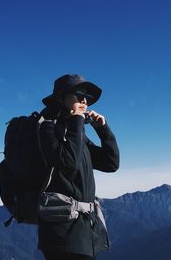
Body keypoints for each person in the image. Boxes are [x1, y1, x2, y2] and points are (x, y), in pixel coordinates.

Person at [37, 74, 120, 260]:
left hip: (85, 232)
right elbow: (68, 163)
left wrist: (103, 129)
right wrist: (77, 121)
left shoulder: (77, 134)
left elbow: (111, 163)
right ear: (60, 97)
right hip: (62, 234)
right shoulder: (47, 129)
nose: (85, 100)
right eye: (79, 93)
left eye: (88, 97)